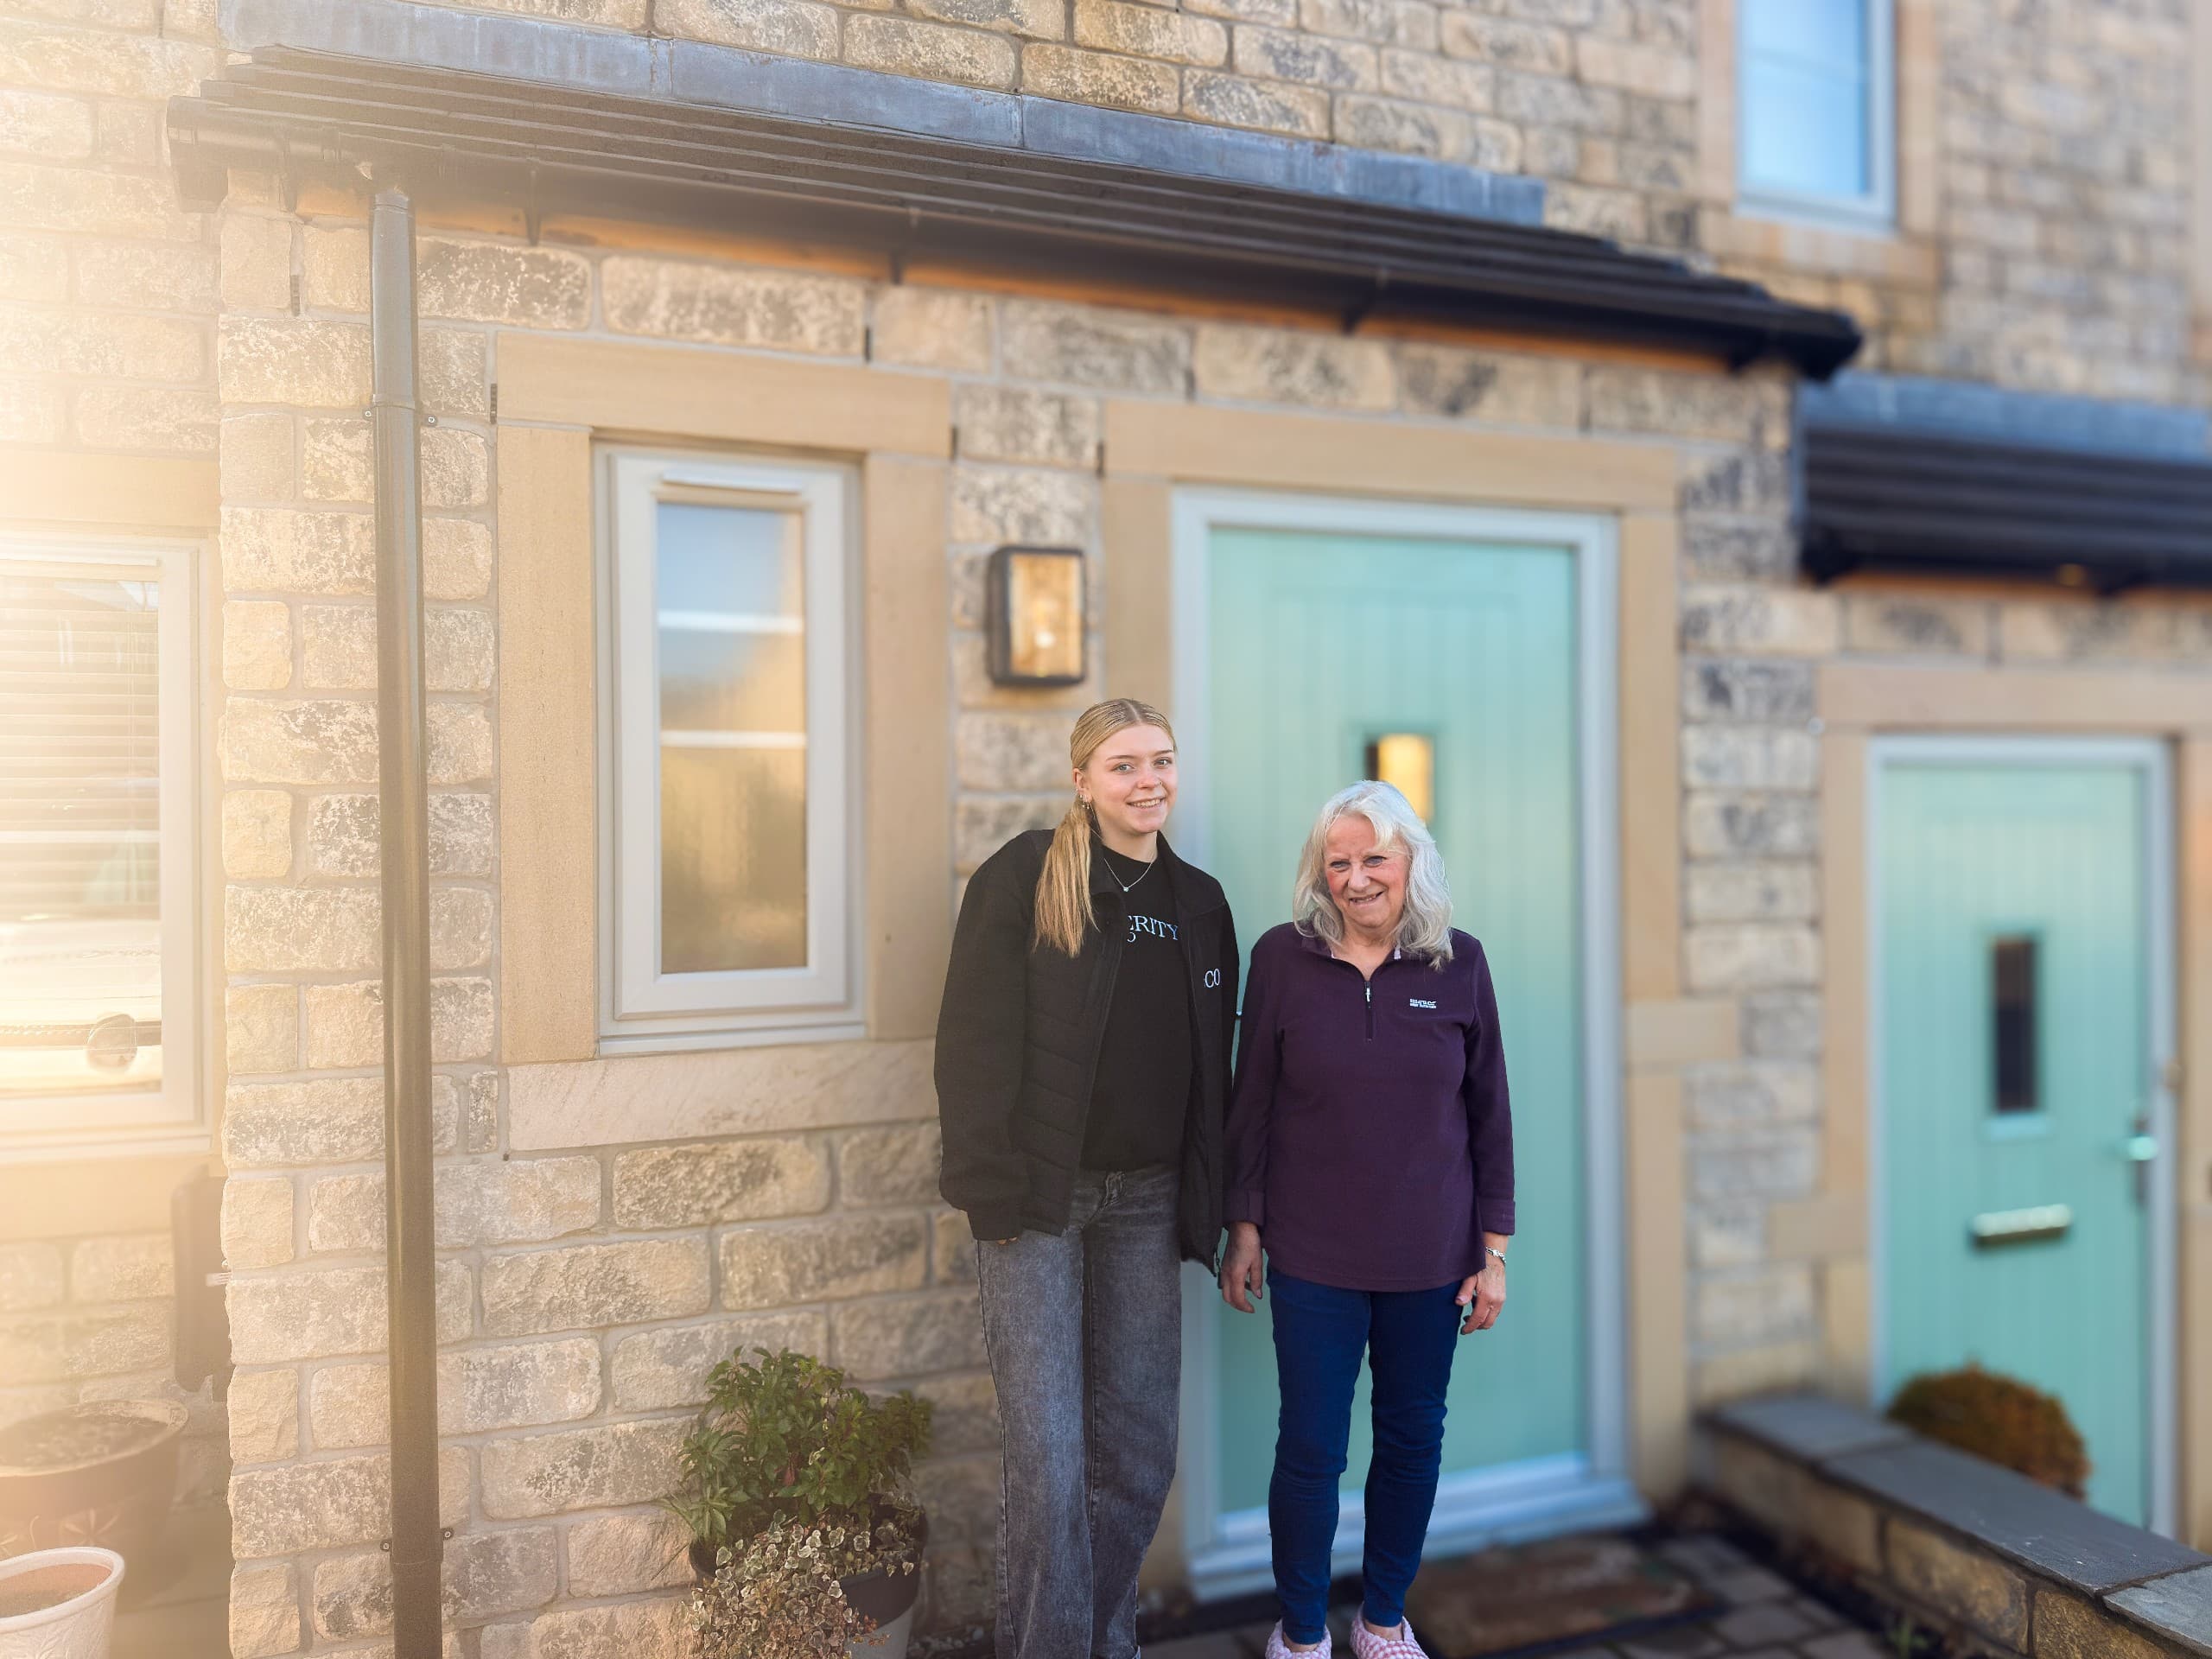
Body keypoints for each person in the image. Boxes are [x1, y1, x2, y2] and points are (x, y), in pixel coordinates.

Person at [936, 696, 1239, 1659]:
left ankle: (1102, 1641)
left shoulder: (1200, 902)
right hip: (1038, 1200)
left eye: (1161, 761)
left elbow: (1210, 1074)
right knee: (1051, 1464)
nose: (1146, 780)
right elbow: (973, 1039)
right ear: (1081, 780)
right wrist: (989, 1187)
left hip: (1146, 1205)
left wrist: (1218, 1205)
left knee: (1139, 1455)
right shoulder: (1026, 876)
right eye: (1122, 765)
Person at [1218, 779, 1515, 1659]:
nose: (1355, 879)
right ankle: (1303, 1633)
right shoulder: (1280, 958)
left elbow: (1489, 1112)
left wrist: (1491, 1251)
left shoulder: (1460, 962)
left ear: (1411, 863)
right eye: (1337, 862)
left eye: (1373, 858)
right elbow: (1252, 1104)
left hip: (1432, 1255)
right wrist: (1244, 1226)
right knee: (1311, 1447)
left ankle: (1382, 1620)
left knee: (1410, 1438)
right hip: (1312, 1254)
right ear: (1319, 873)